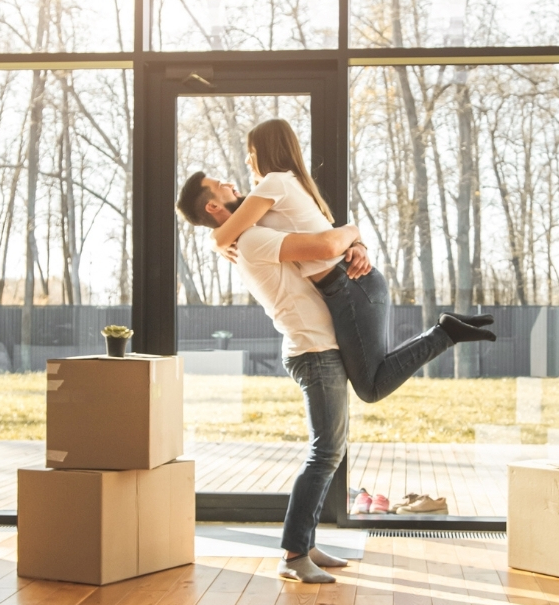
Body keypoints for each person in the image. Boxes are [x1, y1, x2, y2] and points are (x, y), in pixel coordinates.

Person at [204, 118, 496, 403]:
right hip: (348, 287)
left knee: (370, 387)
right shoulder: (288, 184)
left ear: (267, 152)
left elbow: (223, 236)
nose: (246, 160)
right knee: (371, 380)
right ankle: (446, 331)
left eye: (251, 152)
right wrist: (358, 241)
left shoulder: (274, 183)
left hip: (352, 286)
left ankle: (445, 333)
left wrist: (216, 242)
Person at [177, 178, 362, 583]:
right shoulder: (255, 239)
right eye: (217, 184)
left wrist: (356, 245)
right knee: (325, 452)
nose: (230, 183)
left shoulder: (249, 237)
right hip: (313, 351)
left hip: (316, 348)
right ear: (212, 207)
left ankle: (306, 543)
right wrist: (354, 231)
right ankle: (294, 555)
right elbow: (329, 246)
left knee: (329, 451)